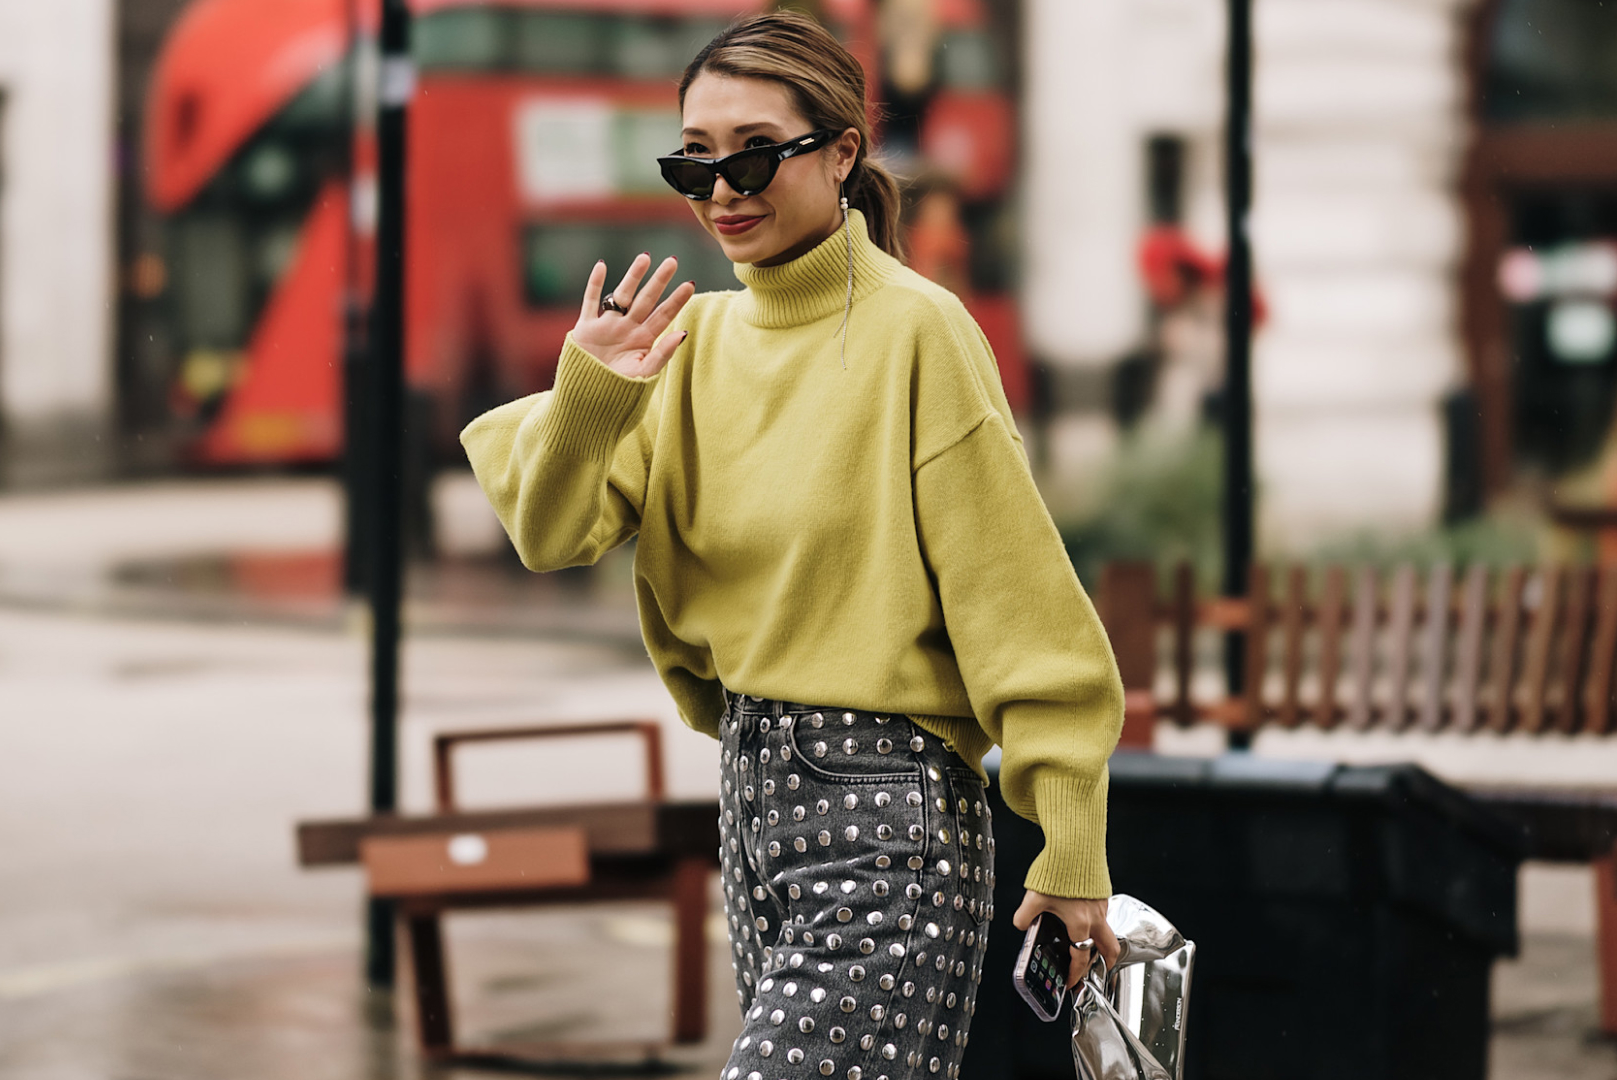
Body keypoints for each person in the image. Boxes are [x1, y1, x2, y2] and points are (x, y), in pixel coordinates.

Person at [460, 12, 1124, 1078]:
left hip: (894, 817)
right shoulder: (687, 347)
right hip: (754, 801)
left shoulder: (918, 331)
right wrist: (591, 391)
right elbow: (547, 534)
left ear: (845, 153)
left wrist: (1071, 844)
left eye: (757, 153)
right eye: (695, 161)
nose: (724, 189)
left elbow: (1022, 611)